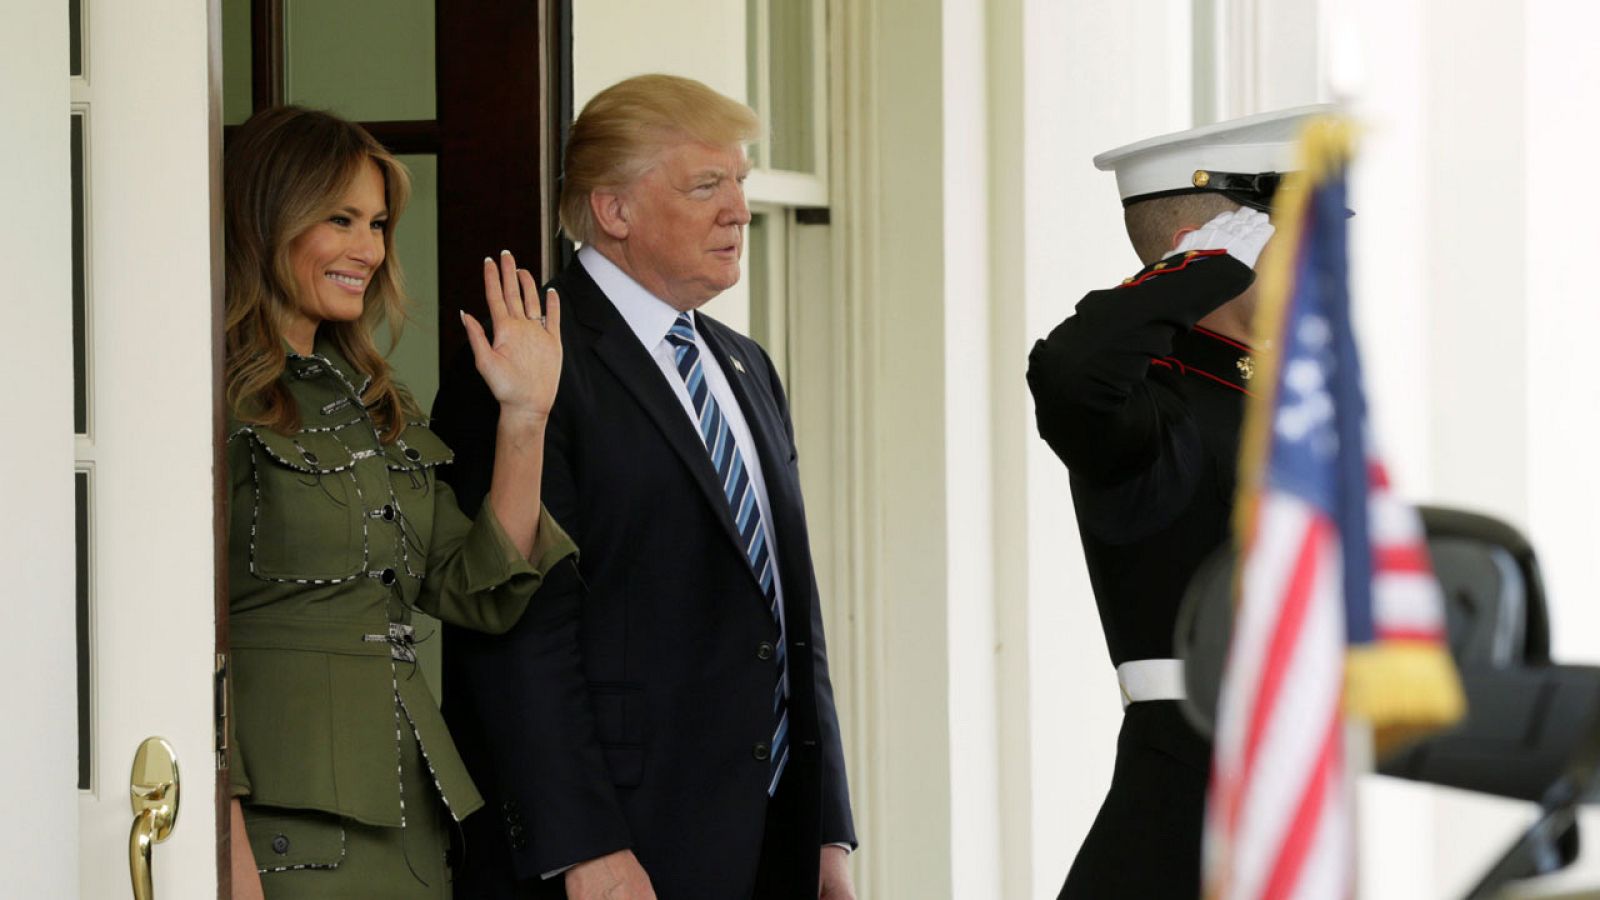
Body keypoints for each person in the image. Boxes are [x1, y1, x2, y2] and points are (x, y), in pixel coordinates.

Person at [431, 74, 857, 900]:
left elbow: (790, 613)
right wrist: (581, 844)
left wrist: (826, 827)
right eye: (706, 185)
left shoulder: (745, 365)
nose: (737, 208)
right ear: (614, 210)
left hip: (771, 844)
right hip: (621, 850)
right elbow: (515, 627)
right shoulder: (529, 358)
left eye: (740, 180)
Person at [222, 106, 575, 899]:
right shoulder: (214, 398)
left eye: (378, 223)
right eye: (340, 219)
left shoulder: (379, 403)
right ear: (265, 220)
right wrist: (224, 846)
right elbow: (176, 648)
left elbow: (478, 589)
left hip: (412, 824)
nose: (369, 250)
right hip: (280, 836)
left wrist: (526, 417)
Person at [1025, 105, 1331, 899]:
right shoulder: (1150, 406)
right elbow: (1069, 374)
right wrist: (1195, 273)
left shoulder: (1267, 390)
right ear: (1224, 246)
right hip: (1186, 803)